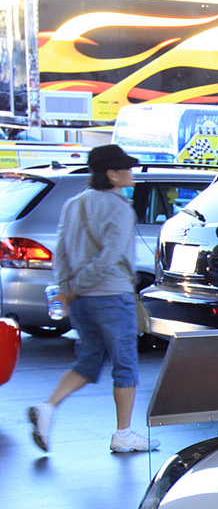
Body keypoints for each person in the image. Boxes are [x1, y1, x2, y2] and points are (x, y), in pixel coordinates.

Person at [28, 143, 158, 454]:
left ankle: (47, 408)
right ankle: (123, 434)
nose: (132, 173)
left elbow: (60, 251)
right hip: (112, 295)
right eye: (126, 168)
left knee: (88, 359)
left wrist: (67, 288)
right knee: (125, 364)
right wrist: (79, 285)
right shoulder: (120, 208)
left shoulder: (73, 203)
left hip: (82, 300)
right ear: (112, 175)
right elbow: (110, 257)